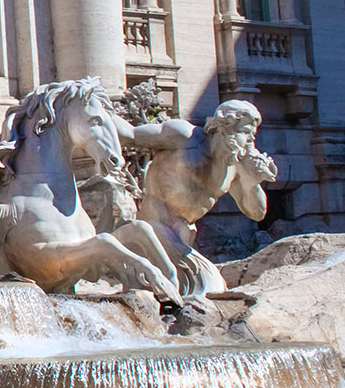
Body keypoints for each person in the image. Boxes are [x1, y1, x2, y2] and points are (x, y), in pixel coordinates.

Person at [114, 100, 278, 296]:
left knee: (206, 288)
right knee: (209, 285)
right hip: (154, 226)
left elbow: (257, 213)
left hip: (184, 234)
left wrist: (252, 182)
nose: (250, 140)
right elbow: (130, 135)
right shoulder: (184, 136)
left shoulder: (234, 166)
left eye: (253, 135)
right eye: (245, 132)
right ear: (223, 128)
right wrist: (95, 109)